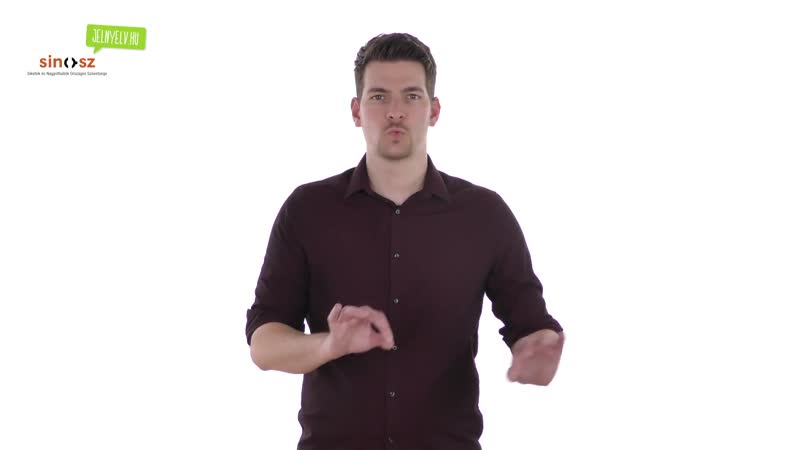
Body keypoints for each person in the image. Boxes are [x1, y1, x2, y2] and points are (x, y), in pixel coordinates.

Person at [245, 32, 565, 450]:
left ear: (433, 110)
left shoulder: (484, 214)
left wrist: (539, 354)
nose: (395, 111)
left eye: (411, 96)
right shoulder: (307, 210)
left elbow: (532, 327)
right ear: (357, 110)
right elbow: (263, 343)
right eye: (379, 97)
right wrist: (330, 344)